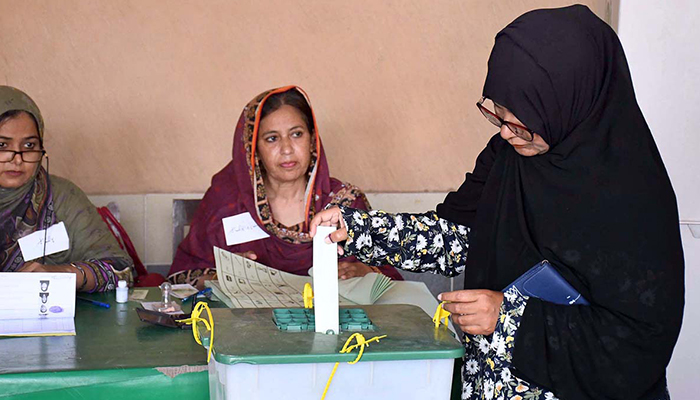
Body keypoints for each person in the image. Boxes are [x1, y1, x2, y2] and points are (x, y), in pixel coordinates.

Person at [310, 6, 683, 400]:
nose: (505, 133)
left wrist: (508, 319)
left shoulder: (633, 200)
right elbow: (462, 238)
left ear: (569, 103)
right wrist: (361, 230)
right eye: (497, 115)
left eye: (521, 123)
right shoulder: (511, 156)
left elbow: (639, 344)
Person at [169, 86, 402, 288]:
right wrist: (222, 276)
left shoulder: (345, 204)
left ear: (312, 139)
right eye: (272, 138)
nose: (287, 149)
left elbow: (392, 280)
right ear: (253, 150)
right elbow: (179, 280)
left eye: (296, 134)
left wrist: (364, 272)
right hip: (243, 332)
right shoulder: (226, 203)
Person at [0, 85, 134, 292]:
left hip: (51, 319)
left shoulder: (61, 196)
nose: (17, 159)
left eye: (29, 146)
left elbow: (122, 271)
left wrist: (66, 273)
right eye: (2, 145)